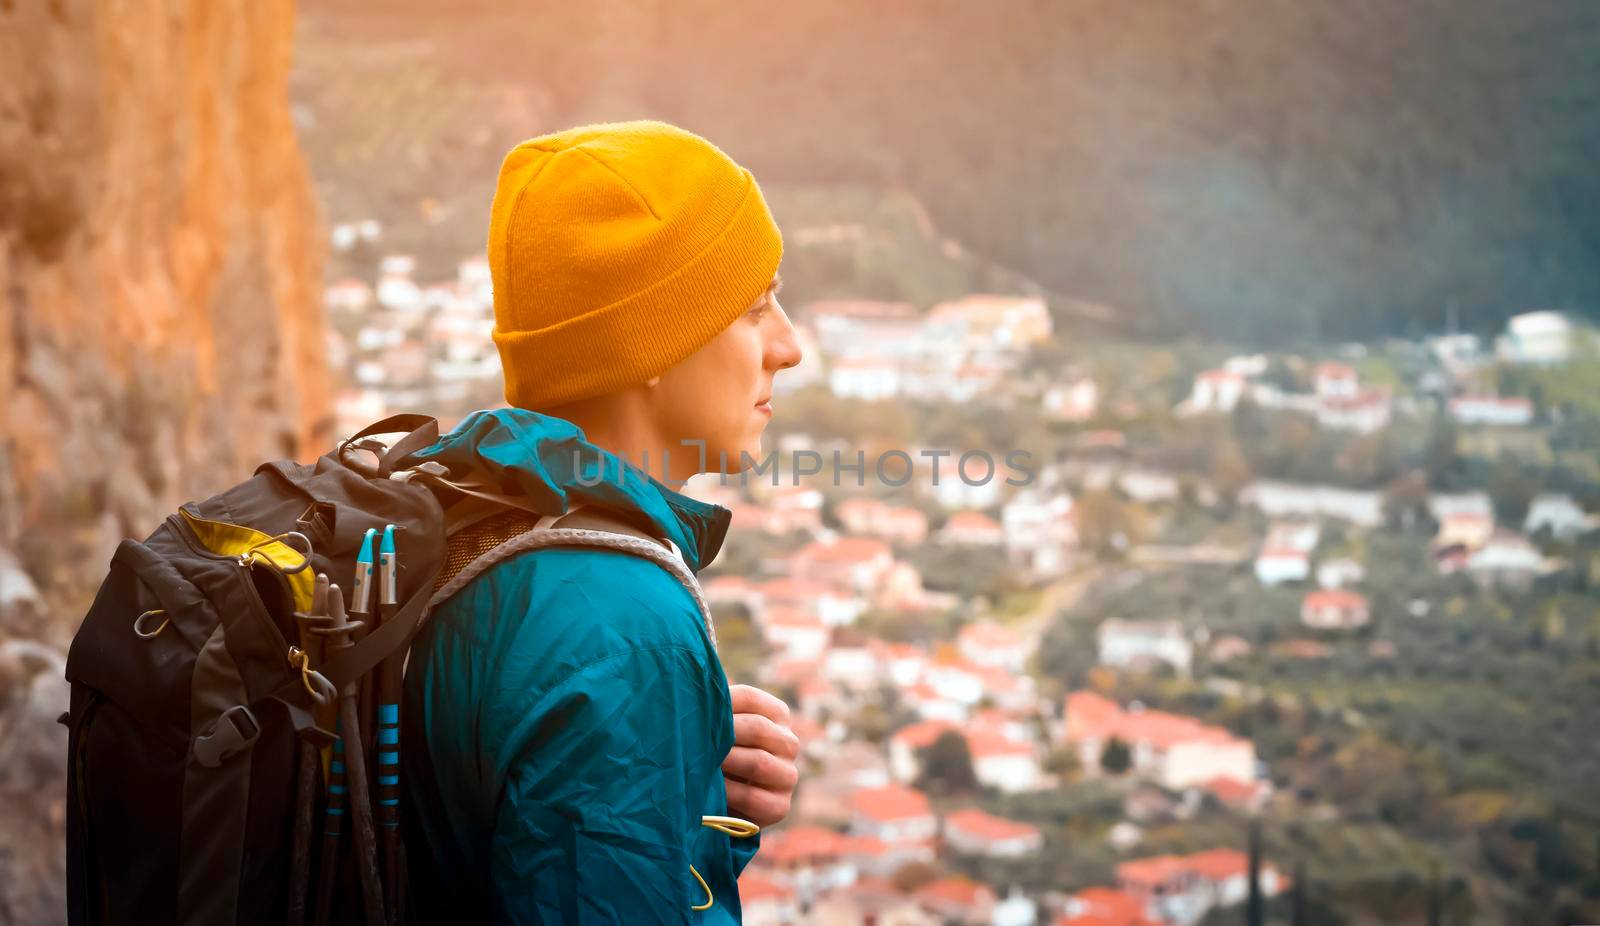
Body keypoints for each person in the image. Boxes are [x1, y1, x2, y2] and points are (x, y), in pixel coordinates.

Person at [400, 120, 804, 923]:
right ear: (649, 340)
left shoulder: (470, 514)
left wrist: (686, 792)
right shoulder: (619, 626)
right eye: (754, 306)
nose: (787, 347)